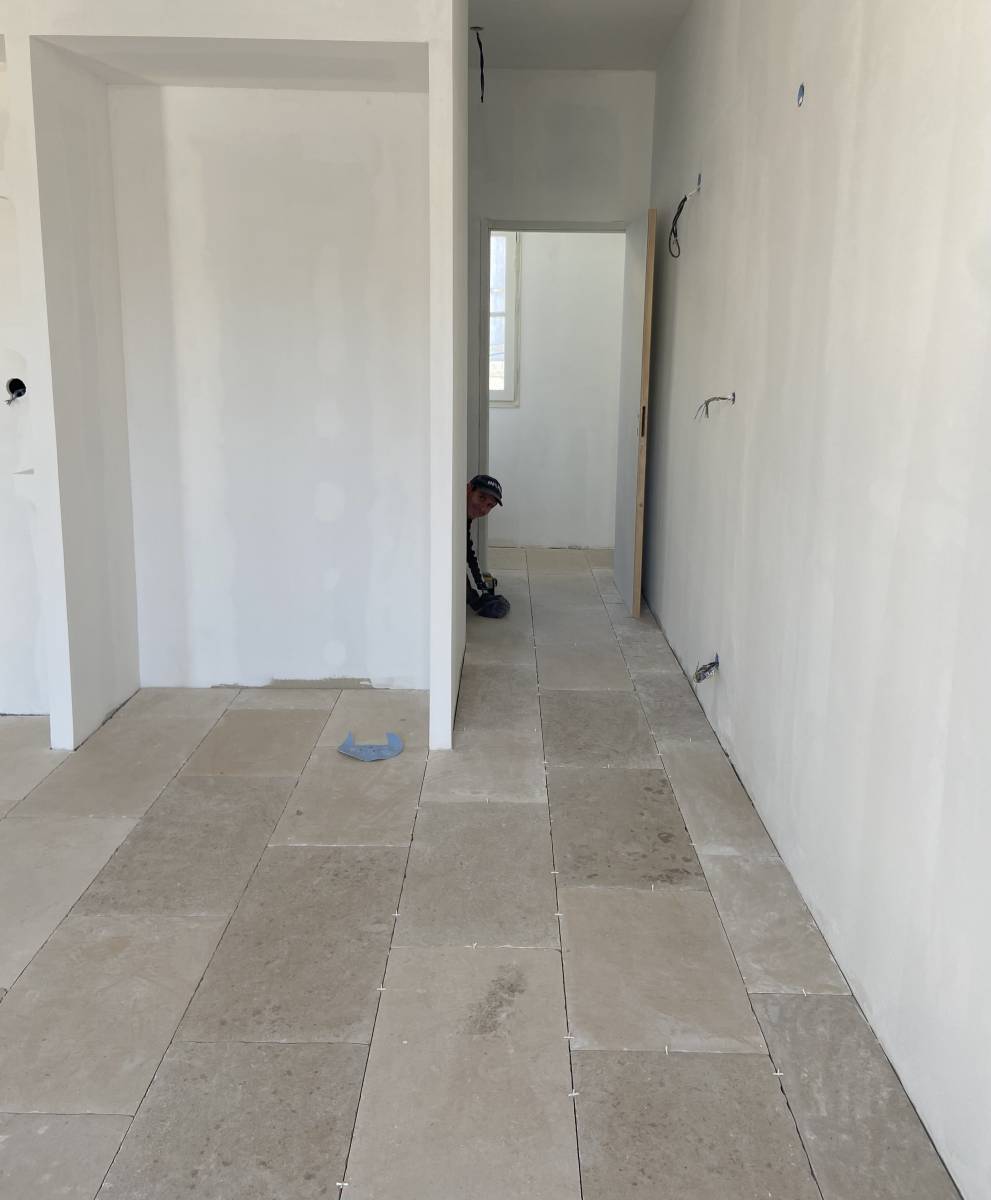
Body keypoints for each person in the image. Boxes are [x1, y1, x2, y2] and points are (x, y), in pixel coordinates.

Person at [466, 475, 511, 619]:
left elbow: (467, 552)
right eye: (481, 498)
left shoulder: (463, 517)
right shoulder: (448, 512)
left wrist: (482, 589)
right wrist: (475, 601)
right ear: (468, 489)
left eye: (490, 505)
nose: (483, 508)